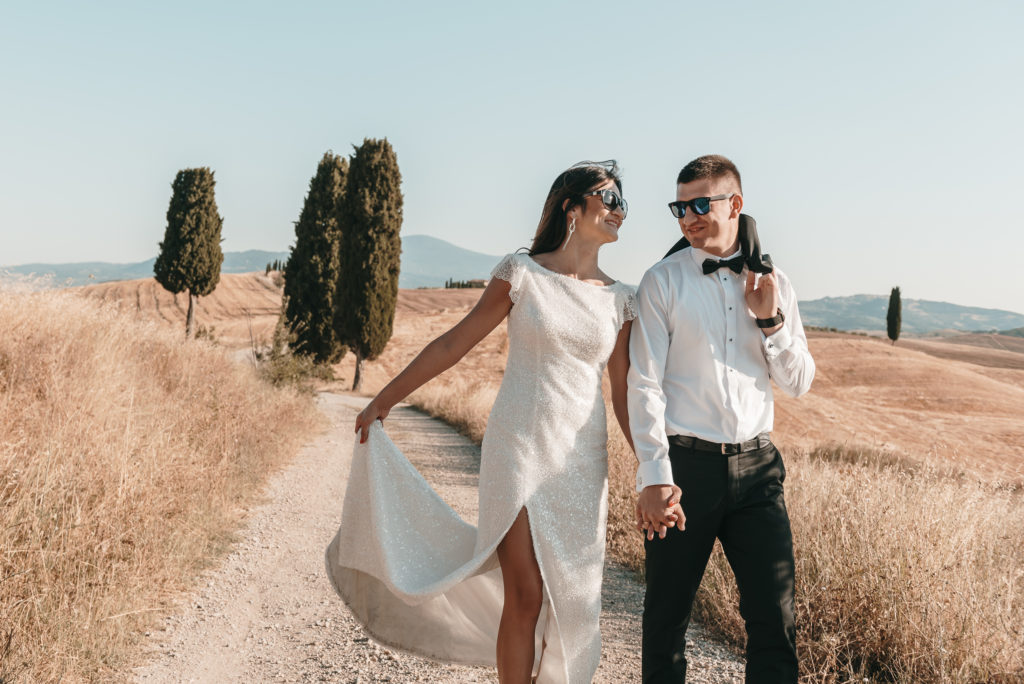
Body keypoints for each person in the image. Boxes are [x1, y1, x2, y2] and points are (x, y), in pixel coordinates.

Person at [326, 160, 655, 683]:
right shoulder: (521, 273)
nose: (620, 211)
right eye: (609, 198)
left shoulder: (622, 299)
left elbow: (623, 396)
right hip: (518, 449)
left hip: (579, 462)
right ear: (572, 206)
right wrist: (384, 399)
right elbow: (456, 342)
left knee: (569, 598)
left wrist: (654, 474)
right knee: (524, 593)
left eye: (623, 203)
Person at [628, 154, 815, 683]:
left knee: (774, 623)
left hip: (759, 473)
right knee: (665, 620)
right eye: (679, 207)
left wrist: (771, 321)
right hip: (684, 472)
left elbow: (799, 381)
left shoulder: (776, 282)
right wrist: (654, 475)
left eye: (699, 204)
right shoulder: (661, 282)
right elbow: (643, 383)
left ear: (734, 204)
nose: (687, 217)